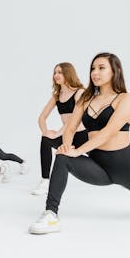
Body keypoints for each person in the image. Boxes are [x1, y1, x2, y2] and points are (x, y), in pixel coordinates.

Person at [28, 53, 130, 234]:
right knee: (62, 157)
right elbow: (70, 129)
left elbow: (108, 133)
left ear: (115, 71)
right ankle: (51, 215)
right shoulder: (85, 100)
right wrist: (67, 146)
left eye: (101, 68)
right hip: (99, 165)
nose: (95, 72)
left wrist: (78, 151)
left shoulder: (126, 99)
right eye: (93, 68)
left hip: (126, 165)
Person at [32, 63, 88, 195]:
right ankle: (45, 181)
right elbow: (41, 118)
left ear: (68, 74)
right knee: (45, 139)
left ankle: (121, 175)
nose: (56, 75)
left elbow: (75, 120)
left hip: (83, 137)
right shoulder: (57, 96)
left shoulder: (79, 92)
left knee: (103, 159)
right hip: (67, 137)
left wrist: (57, 133)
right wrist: (46, 131)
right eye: (55, 72)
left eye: (60, 72)